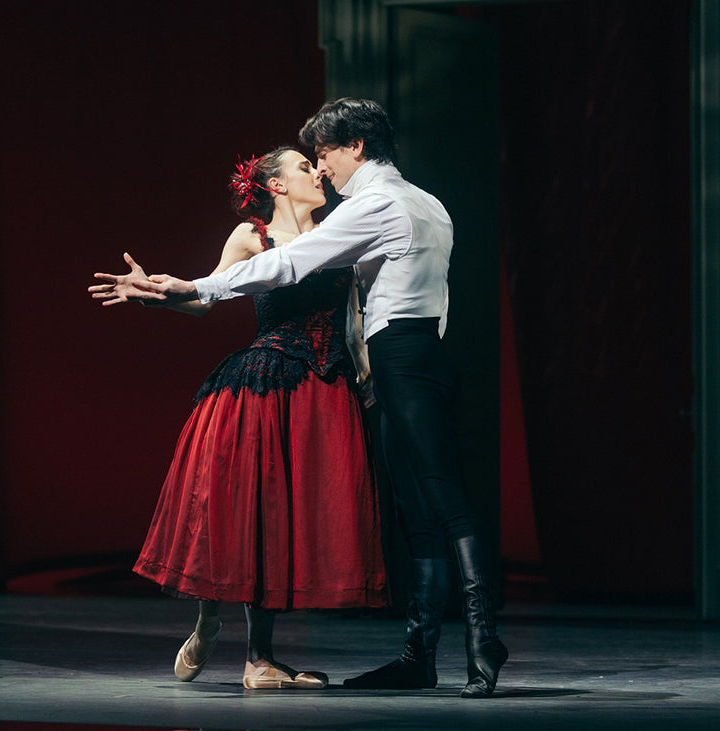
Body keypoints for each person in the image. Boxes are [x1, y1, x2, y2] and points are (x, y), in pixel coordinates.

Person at [117, 98, 509, 699]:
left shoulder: (367, 208)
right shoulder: (428, 203)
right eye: (309, 162)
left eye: (322, 154)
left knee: (431, 507)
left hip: (371, 363)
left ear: (354, 146)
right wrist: (177, 293)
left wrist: (193, 286)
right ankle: (419, 656)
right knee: (406, 514)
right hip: (359, 360)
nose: (321, 169)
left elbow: (301, 270)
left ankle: (477, 644)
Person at [89, 147, 388, 689]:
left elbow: (357, 313)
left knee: (290, 516)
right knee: (251, 507)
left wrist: (366, 378)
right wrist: (151, 296)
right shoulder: (252, 235)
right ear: (275, 185)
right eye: (303, 167)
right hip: (264, 378)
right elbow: (206, 298)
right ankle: (219, 625)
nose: (316, 172)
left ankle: (259, 657)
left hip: (325, 384)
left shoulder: (338, 230)